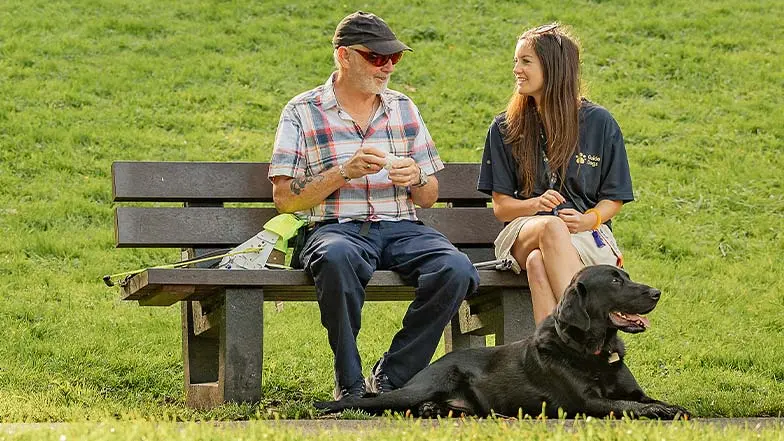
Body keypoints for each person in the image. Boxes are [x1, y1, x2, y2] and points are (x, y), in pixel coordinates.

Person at [268, 11, 479, 402]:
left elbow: (429, 195)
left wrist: (415, 176)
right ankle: (349, 384)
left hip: (402, 226)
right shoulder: (301, 111)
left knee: (456, 268)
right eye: (377, 57)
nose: (387, 67)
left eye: (394, 59)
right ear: (344, 56)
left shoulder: (403, 108)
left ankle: (393, 378)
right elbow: (285, 200)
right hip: (335, 228)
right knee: (336, 258)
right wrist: (342, 173)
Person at [477, 23, 634, 325]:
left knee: (539, 264)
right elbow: (501, 208)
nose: (516, 70)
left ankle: (550, 358)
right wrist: (534, 205)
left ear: (554, 68)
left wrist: (588, 219)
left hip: (587, 236)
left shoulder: (600, 123)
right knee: (550, 228)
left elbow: (614, 199)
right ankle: (591, 331)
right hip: (524, 232)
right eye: (516, 61)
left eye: (525, 61)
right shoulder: (505, 128)